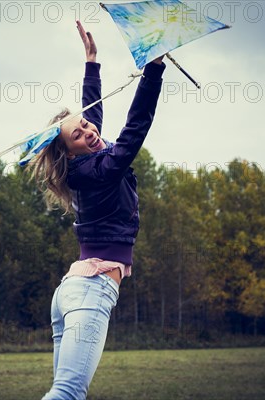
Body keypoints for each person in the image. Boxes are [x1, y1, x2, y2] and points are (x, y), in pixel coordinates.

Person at [31, 21, 166, 400]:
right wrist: (153, 70)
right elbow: (134, 130)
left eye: (86, 125)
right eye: (78, 134)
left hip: (73, 291)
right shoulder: (99, 170)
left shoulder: (88, 159)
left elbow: (93, 113)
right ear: (69, 151)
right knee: (69, 393)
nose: (89, 131)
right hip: (91, 290)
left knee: (66, 392)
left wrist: (92, 62)